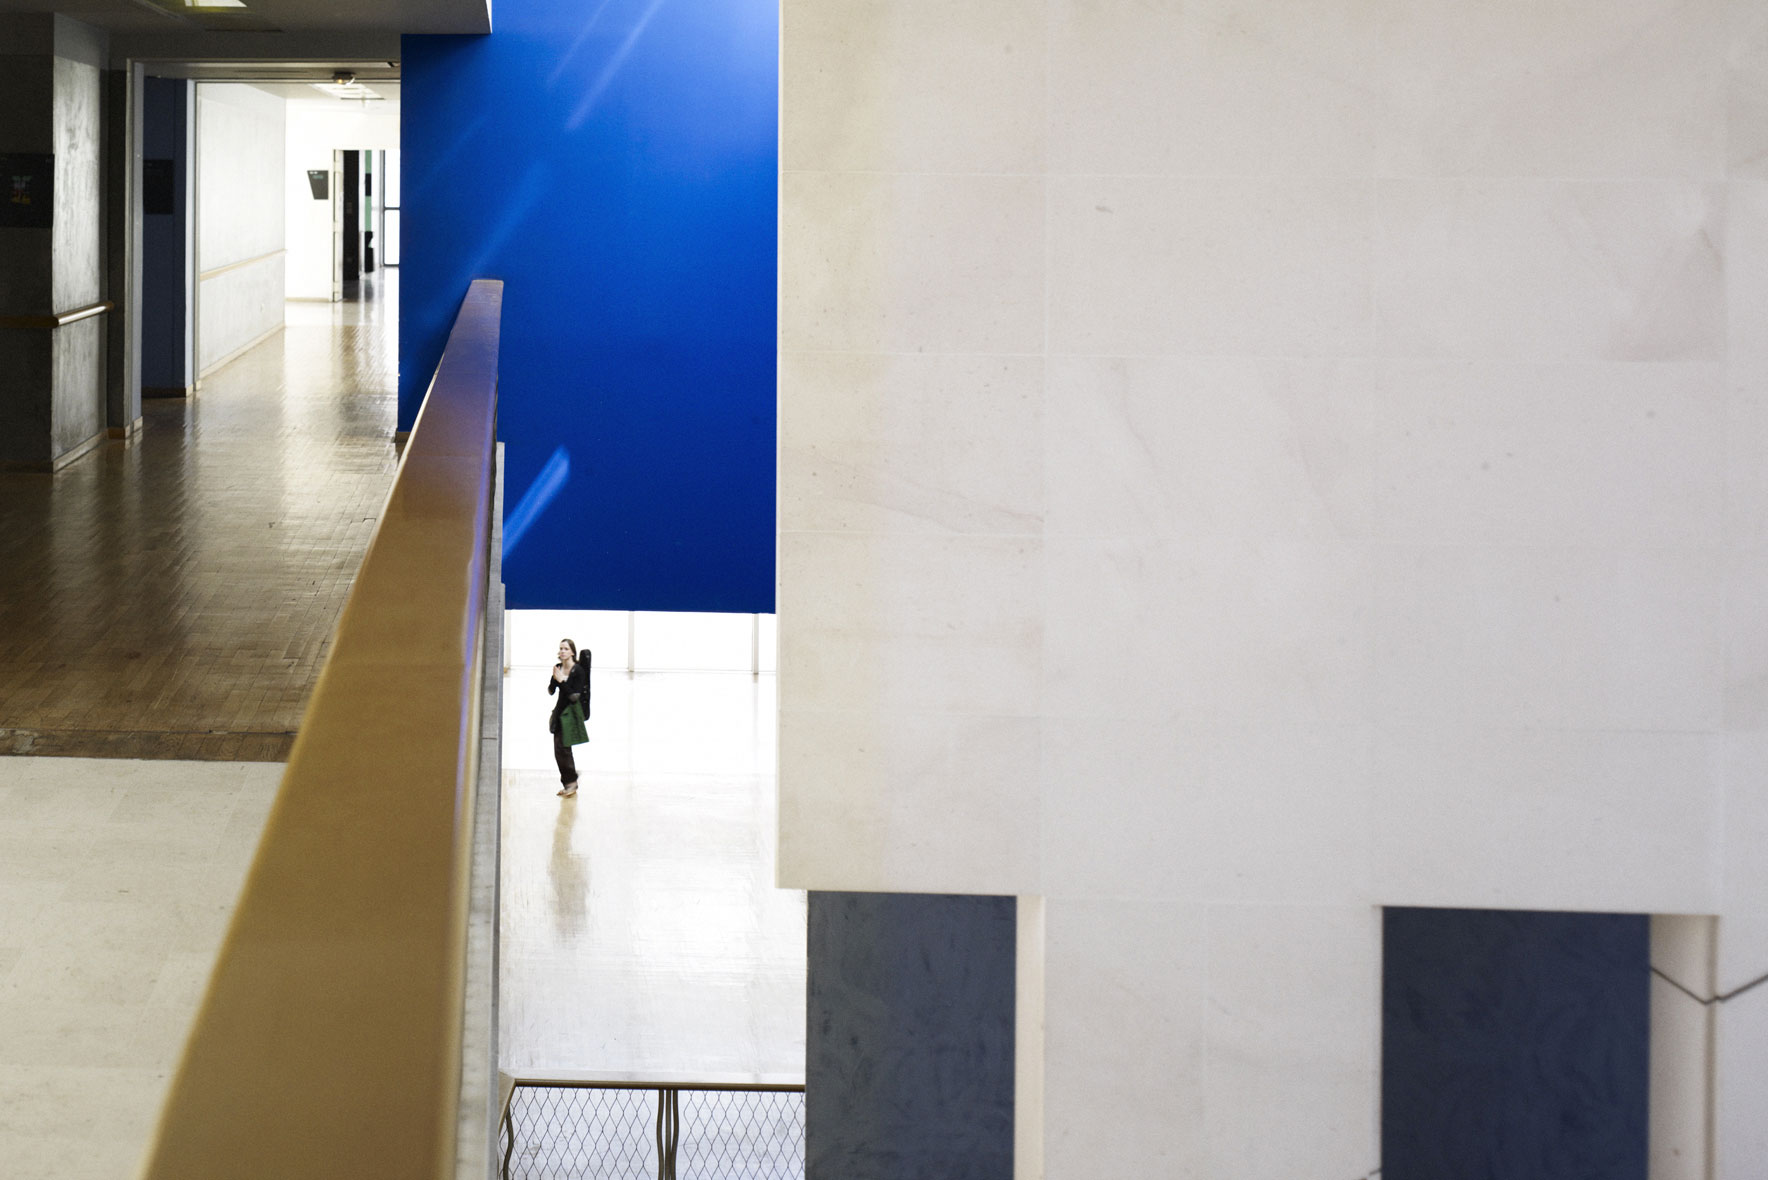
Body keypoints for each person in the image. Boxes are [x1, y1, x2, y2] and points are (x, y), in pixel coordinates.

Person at [548, 638, 590, 797]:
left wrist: (562, 681)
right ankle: (570, 780)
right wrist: (554, 679)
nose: (562, 651)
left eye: (566, 648)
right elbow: (551, 690)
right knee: (560, 750)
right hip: (559, 713)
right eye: (561, 648)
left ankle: (571, 782)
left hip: (570, 713)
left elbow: (574, 696)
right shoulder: (558, 668)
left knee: (563, 748)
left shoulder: (578, 671)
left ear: (572, 651)